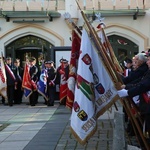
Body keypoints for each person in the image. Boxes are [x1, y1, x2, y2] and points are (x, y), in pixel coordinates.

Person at [118, 53, 150, 146]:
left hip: (147, 105)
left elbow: (144, 85)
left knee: (147, 132)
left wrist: (127, 91)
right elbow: (140, 81)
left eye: (149, 60)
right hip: (145, 106)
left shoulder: (144, 69)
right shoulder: (148, 71)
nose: (147, 62)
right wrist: (128, 87)